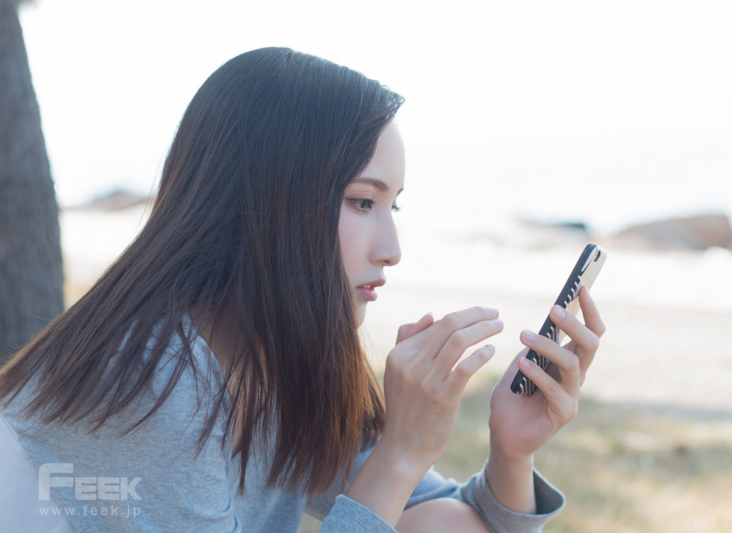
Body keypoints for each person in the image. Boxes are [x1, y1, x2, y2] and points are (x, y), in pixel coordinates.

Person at [0, 47, 605, 532]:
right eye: (363, 201)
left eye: (393, 205)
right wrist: (397, 454)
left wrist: (511, 450)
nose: (391, 246)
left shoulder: (276, 360)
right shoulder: (151, 394)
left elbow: (452, 523)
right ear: (271, 202)